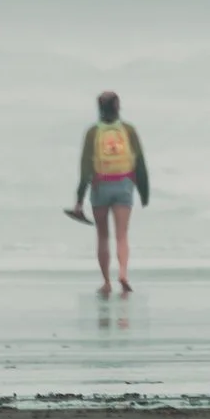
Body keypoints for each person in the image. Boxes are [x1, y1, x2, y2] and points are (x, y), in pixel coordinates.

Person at [74, 89, 149, 296]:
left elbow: (85, 167)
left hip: (101, 187)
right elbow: (140, 162)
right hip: (124, 185)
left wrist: (79, 199)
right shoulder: (129, 130)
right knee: (122, 235)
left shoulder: (92, 133)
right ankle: (123, 273)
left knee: (102, 236)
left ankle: (106, 281)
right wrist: (144, 191)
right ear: (118, 107)